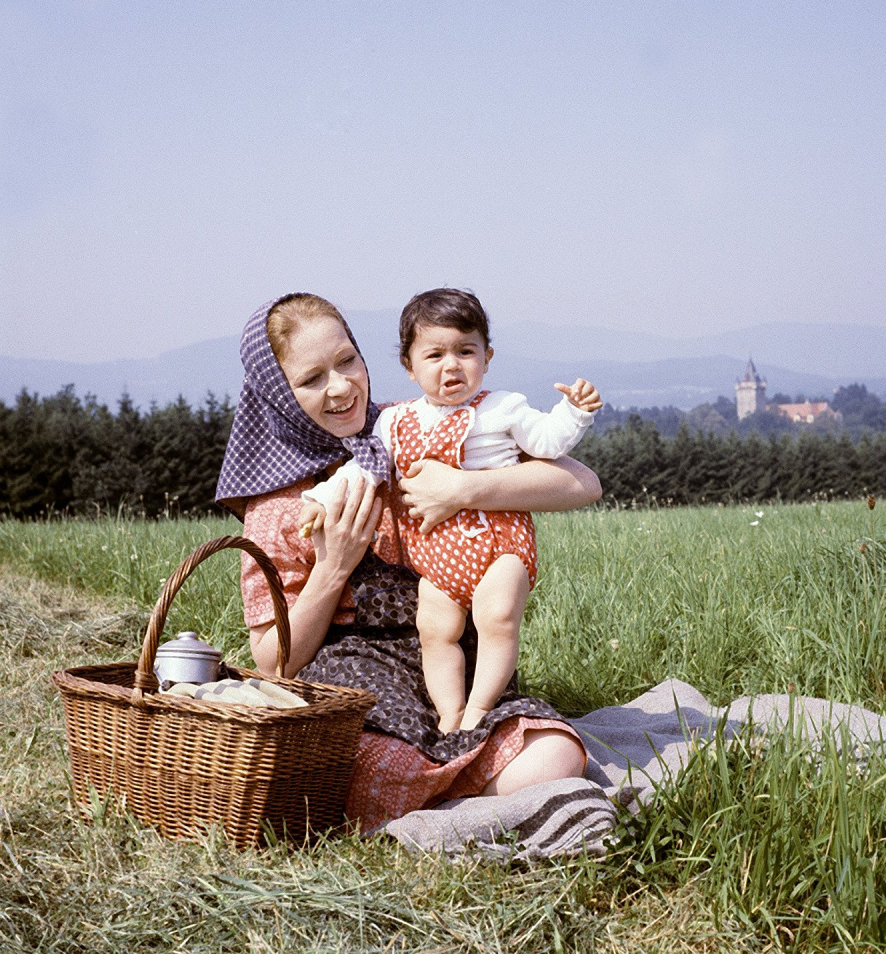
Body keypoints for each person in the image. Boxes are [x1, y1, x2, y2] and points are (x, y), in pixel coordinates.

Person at [215, 292, 602, 833]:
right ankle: (453, 794)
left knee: (558, 755)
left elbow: (582, 482)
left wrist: (465, 489)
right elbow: (273, 663)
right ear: (278, 395)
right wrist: (333, 569)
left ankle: (440, 794)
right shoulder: (278, 505)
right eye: (311, 379)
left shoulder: (405, 428)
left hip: (448, 655)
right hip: (355, 677)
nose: (341, 387)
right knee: (358, 761)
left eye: (347, 360)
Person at [298, 289, 602, 733]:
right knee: (435, 630)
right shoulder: (394, 422)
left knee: (498, 616)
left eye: (466, 351)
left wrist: (574, 412)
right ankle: (449, 715)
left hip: (499, 543)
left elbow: (547, 443)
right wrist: (320, 500)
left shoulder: (503, 408)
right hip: (437, 557)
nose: (451, 365)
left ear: (487, 355)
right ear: (410, 367)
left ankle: (480, 707)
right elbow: (361, 470)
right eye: (435, 354)